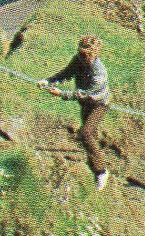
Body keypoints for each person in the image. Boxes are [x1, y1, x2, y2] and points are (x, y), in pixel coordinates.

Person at [44, 34, 113, 189]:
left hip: (99, 104)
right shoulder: (78, 60)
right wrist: (48, 81)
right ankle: (94, 165)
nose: (82, 57)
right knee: (90, 136)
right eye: (81, 52)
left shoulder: (99, 72)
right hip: (86, 104)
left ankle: (101, 171)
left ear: (94, 54)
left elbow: (85, 93)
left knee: (85, 133)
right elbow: (66, 73)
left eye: (86, 54)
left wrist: (61, 94)